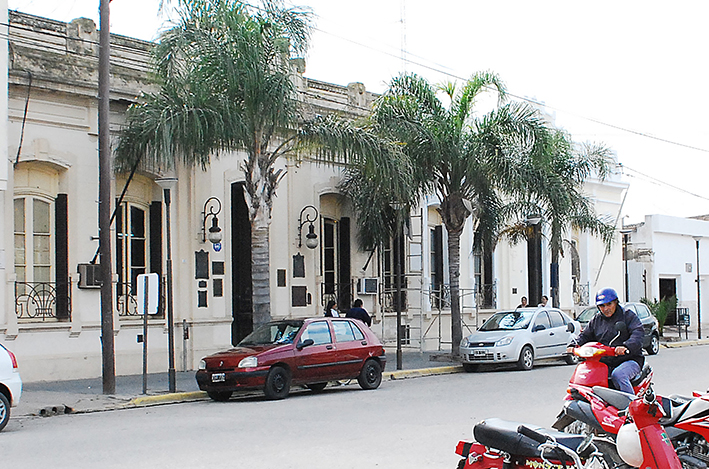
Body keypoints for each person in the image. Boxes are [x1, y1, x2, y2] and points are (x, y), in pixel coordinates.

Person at [566, 287, 644, 394]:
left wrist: (626, 346)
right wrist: (574, 345)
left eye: (609, 304)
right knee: (588, 376)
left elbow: (637, 334)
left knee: (618, 375)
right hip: (604, 361)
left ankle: (630, 406)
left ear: (616, 302)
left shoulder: (628, 316)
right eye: (602, 306)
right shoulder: (596, 320)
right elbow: (585, 335)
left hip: (628, 359)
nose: (606, 308)